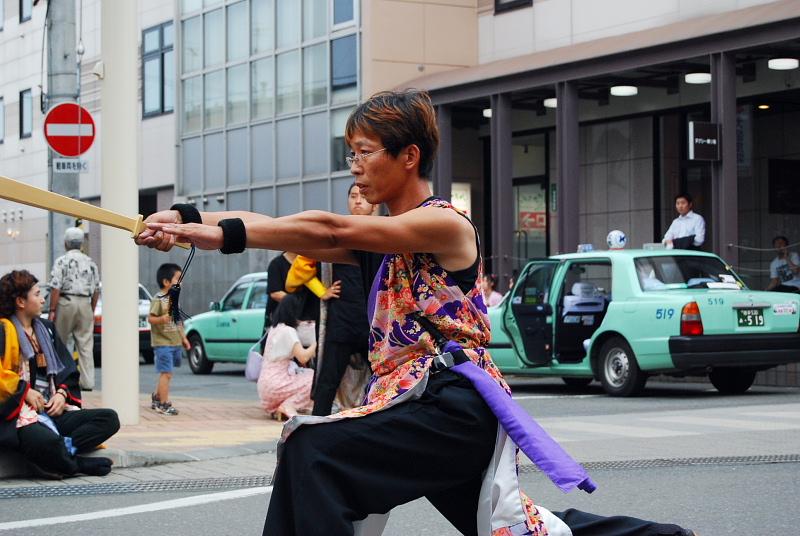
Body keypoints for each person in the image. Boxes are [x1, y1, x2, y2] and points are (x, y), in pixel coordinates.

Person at [137, 90, 696, 536]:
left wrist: (215, 236)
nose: (355, 167)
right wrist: (188, 219)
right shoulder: (379, 240)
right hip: (415, 405)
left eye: (365, 152)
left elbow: (327, 229)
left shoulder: (445, 223)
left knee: (312, 450)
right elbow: (287, 226)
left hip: (449, 404)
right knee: (519, 531)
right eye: (351, 154)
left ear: (408, 156)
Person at [0, 270, 119, 478]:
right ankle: (76, 463)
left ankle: (60, 450)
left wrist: (62, 394)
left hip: (50, 411)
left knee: (109, 419)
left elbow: (67, 369)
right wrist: (25, 392)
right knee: (42, 439)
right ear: (20, 301)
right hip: (19, 415)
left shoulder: (46, 329)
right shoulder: (4, 330)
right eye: (37, 294)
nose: (43, 299)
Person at [312, 183, 375, 416]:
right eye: (353, 196)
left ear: (374, 204)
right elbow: (300, 266)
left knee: (385, 380)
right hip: (342, 321)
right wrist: (321, 290)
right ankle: (314, 429)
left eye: (362, 196)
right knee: (327, 383)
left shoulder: (383, 233)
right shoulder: (340, 232)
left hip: (373, 325)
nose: (358, 201)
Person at [47, 227, 100, 391]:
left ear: (66, 243)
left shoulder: (62, 261)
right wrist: (91, 308)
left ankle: (62, 380)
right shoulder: (91, 263)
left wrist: (52, 310)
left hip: (66, 301)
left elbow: (56, 287)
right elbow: (96, 289)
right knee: (85, 344)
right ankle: (87, 382)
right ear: (81, 244)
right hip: (85, 303)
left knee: (60, 342)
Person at [257, 293, 316, 420]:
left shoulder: (275, 328)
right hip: (277, 383)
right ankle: (288, 405)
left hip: (265, 386)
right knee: (314, 379)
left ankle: (280, 408)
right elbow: (303, 358)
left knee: (305, 375)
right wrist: (317, 343)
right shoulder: (288, 331)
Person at [148, 263, 190, 416]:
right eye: (178, 279)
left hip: (175, 342)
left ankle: (157, 397)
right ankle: (163, 404)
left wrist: (184, 338)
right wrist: (162, 319)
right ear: (166, 282)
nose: (181, 283)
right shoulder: (158, 299)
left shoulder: (174, 299)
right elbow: (151, 319)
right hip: (162, 343)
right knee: (166, 373)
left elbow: (178, 321)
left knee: (166, 373)